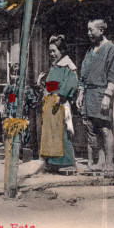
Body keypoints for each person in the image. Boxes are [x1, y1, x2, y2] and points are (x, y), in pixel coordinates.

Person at [76, 19, 114, 178]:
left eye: (91, 30)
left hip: (102, 93)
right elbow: (83, 74)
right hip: (89, 94)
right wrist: (81, 93)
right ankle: (98, 163)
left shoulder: (111, 49)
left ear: (101, 31)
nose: (89, 33)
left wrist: (107, 96)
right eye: (88, 30)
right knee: (91, 128)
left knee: (105, 129)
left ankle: (110, 165)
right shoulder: (90, 50)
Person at [39, 35, 78, 171]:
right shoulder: (54, 67)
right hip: (49, 104)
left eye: (54, 51)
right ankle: (52, 162)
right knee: (50, 133)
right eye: (50, 51)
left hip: (59, 104)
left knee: (61, 133)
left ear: (62, 51)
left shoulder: (68, 66)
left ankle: (67, 162)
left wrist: (61, 95)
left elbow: (72, 83)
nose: (52, 54)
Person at [2, 63, 37, 156]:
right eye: (13, 74)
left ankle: (19, 155)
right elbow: (8, 102)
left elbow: (33, 102)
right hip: (11, 115)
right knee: (10, 134)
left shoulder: (26, 89)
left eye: (17, 74)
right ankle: (10, 155)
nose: (15, 77)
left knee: (21, 135)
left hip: (22, 115)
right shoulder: (9, 88)